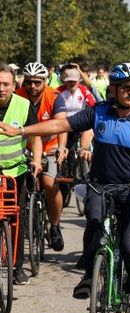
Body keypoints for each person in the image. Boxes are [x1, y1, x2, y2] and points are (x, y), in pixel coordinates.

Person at [1, 63, 130, 313]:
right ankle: (90, 275)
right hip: (100, 186)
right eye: (126, 88)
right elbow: (58, 126)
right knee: (96, 225)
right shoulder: (98, 113)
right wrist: (22, 130)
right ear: (113, 89)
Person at [16, 62, 68, 252]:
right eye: (29, 82)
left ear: (45, 81)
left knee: (49, 183)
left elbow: (62, 125)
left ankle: (54, 226)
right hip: (24, 149)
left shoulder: (55, 96)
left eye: (37, 82)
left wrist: (62, 147)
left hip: (50, 149)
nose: (32, 87)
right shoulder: (17, 96)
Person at [0, 64, 42, 285]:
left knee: (17, 218)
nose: (1, 88)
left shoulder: (24, 105)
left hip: (16, 171)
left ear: (14, 85)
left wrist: (36, 160)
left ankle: (17, 266)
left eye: (6, 84)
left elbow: (35, 136)